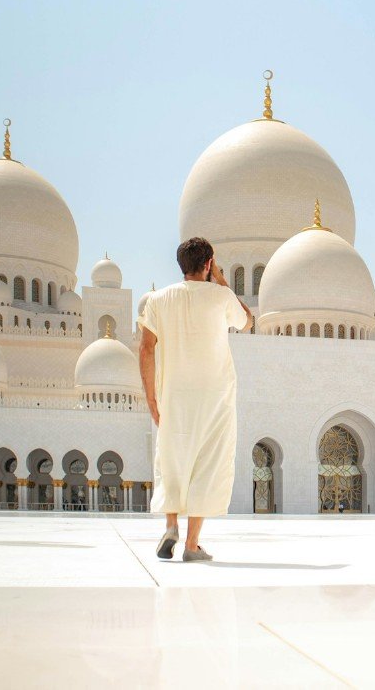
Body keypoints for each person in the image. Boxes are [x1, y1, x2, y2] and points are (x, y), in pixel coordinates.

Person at [137, 237, 253, 562]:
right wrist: (222, 281)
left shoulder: (158, 300)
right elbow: (248, 321)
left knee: (172, 460)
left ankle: (170, 525)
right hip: (215, 396)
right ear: (208, 264)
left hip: (173, 395)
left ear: (181, 265)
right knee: (208, 463)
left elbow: (146, 348)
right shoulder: (221, 297)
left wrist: (151, 399)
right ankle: (191, 544)